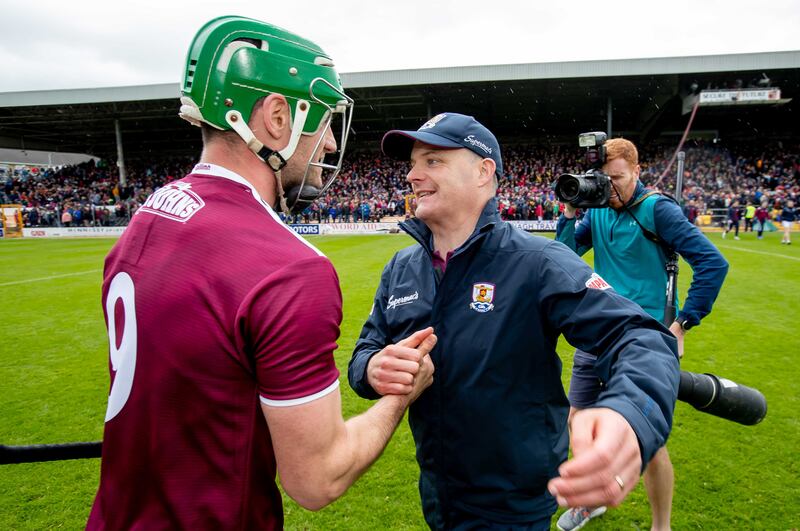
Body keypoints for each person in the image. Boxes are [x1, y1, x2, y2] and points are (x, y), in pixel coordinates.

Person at [87, 16, 435, 529]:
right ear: (277, 116)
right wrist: (400, 397)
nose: (333, 145)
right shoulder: (287, 267)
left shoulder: (150, 214)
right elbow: (317, 479)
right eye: (323, 121)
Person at [348, 113, 681, 530]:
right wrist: (373, 368)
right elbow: (363, 352)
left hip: (515, 505)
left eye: (432, 161)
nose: (413, 175)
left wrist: (630, 415)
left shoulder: (538, 262)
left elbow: (639, 336)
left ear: (483, 172)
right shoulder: (401, 268)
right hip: (437, 494)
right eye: (413, 163)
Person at [555, 138, 729, 531]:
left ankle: (660, 525)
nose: (610, 187)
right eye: (603, 178)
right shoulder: (598, 210)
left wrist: (683, 322)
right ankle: (591, 501)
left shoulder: (657, 209)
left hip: (645, 339)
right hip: (596, 330)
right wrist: (570, 212)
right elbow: (562, 258)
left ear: (637, 171)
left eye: (617, 178)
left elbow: (712, 264)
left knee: (645, 438)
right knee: (578, 420)